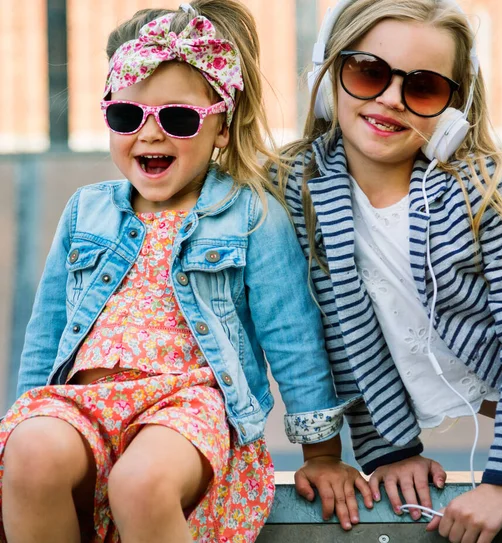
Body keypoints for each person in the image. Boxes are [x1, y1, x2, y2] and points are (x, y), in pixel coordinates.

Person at [0, 2, 372, 541]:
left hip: (187, 407)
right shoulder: (87, 210)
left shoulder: (249, 215)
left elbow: (292, 337)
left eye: (177, 118)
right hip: (81, 404)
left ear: (221, 126)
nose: (149, 135)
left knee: (141, 482)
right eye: (128, 116)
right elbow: (47, 329)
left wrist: (321, 453)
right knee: (31, 455)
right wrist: (27, 417)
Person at [271, 0, 502, 541]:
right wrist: (391, 453)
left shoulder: (477, 185)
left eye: (423, 87)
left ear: (454, 106)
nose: (391, 99)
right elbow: (345, 338)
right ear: (326, 73)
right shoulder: (303, 193)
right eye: (368, 71)